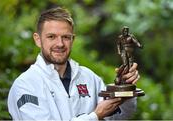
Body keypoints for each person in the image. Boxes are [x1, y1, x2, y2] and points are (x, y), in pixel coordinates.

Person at [8, 7, 140, 120]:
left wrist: (125, 90)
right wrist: (95, 116)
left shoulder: (89, 77)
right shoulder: (25, 85)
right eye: (51, 37)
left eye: (66, 37)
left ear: (73, 39)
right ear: (38, 40)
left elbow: (119, 117)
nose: (60, 44)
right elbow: (99, 114)